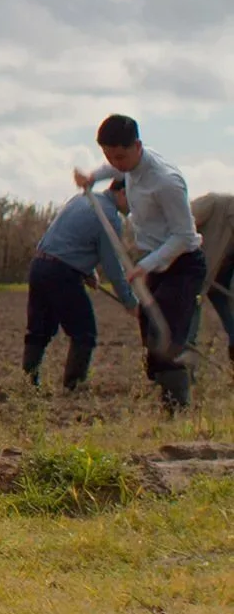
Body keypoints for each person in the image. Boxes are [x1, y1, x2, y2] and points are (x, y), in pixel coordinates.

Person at [74, 114, 204, 410]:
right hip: (154, 260)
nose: (115, 163)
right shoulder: (127, 164)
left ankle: (176, 407)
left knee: (166, 329)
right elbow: (111, 167)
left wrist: (147, 265)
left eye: (120, 156)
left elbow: (184, 236)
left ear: (137, 146)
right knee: (148, 325)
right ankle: (166, 387)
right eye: (109, 156)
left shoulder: (166, 182)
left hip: (182, 263)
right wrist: (93, 176)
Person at [22, 179, 133, 391]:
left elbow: (67, 237)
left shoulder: (82, 199)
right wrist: (130, 301)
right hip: (62, 273)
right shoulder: (109, 217)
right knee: (84, 332)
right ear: (122, 193)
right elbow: (112, 267)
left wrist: (87, 270)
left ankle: (27, 385)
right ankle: (74, 387)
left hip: (40, 265)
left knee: (39, 330)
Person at [187, 192, 233, 365]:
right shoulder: (213, 203)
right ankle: (182, 382)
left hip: (221, 280)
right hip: (192, 278)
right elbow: (179, 227)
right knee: (187, 331)